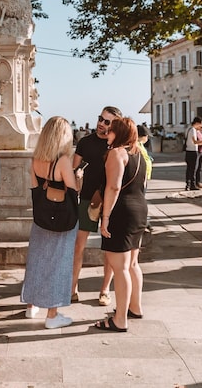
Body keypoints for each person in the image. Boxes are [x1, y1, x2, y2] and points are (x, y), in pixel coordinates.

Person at [21, 116, 78, 329]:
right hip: (62, 220)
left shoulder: (35, 160)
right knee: (58, 264)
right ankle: (52, 314)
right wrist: (77, 176)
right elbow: (72, 191)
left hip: (41, 218)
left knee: (36, 260)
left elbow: (36, 190)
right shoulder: (63, 161)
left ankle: (31, 305)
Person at [95, 117, 147, 333]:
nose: (107, 133)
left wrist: (105, 217)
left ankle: (120, 319)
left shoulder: (117, 153)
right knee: (133, 263)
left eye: (111, 130)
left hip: (122, 212)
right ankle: (135, 307)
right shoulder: (138, 153)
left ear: (119, 133)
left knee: (120, 267)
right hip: (139, 209)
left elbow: (114, 188)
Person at [71, 106, 122, 307]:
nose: (101, 123)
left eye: (107, 121)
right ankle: (73, 287)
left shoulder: (117, 146)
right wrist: (76, 176)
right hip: (86, 200)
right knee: (78, 246)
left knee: (109, 248)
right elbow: (74, 168)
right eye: (101, 118)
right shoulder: (85, 142)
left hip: (111, 202)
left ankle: (105, 290)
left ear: (115, 125)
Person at [184, 117, 202, 190]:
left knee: (190, 168)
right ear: (196, 123)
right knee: (193, 169)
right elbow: (195, 142)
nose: (200, 127)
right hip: (192, 150)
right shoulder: (192, 130)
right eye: (200, 125)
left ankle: (188, 184)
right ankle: (192, 185)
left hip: (188, 150)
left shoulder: (188, 128)